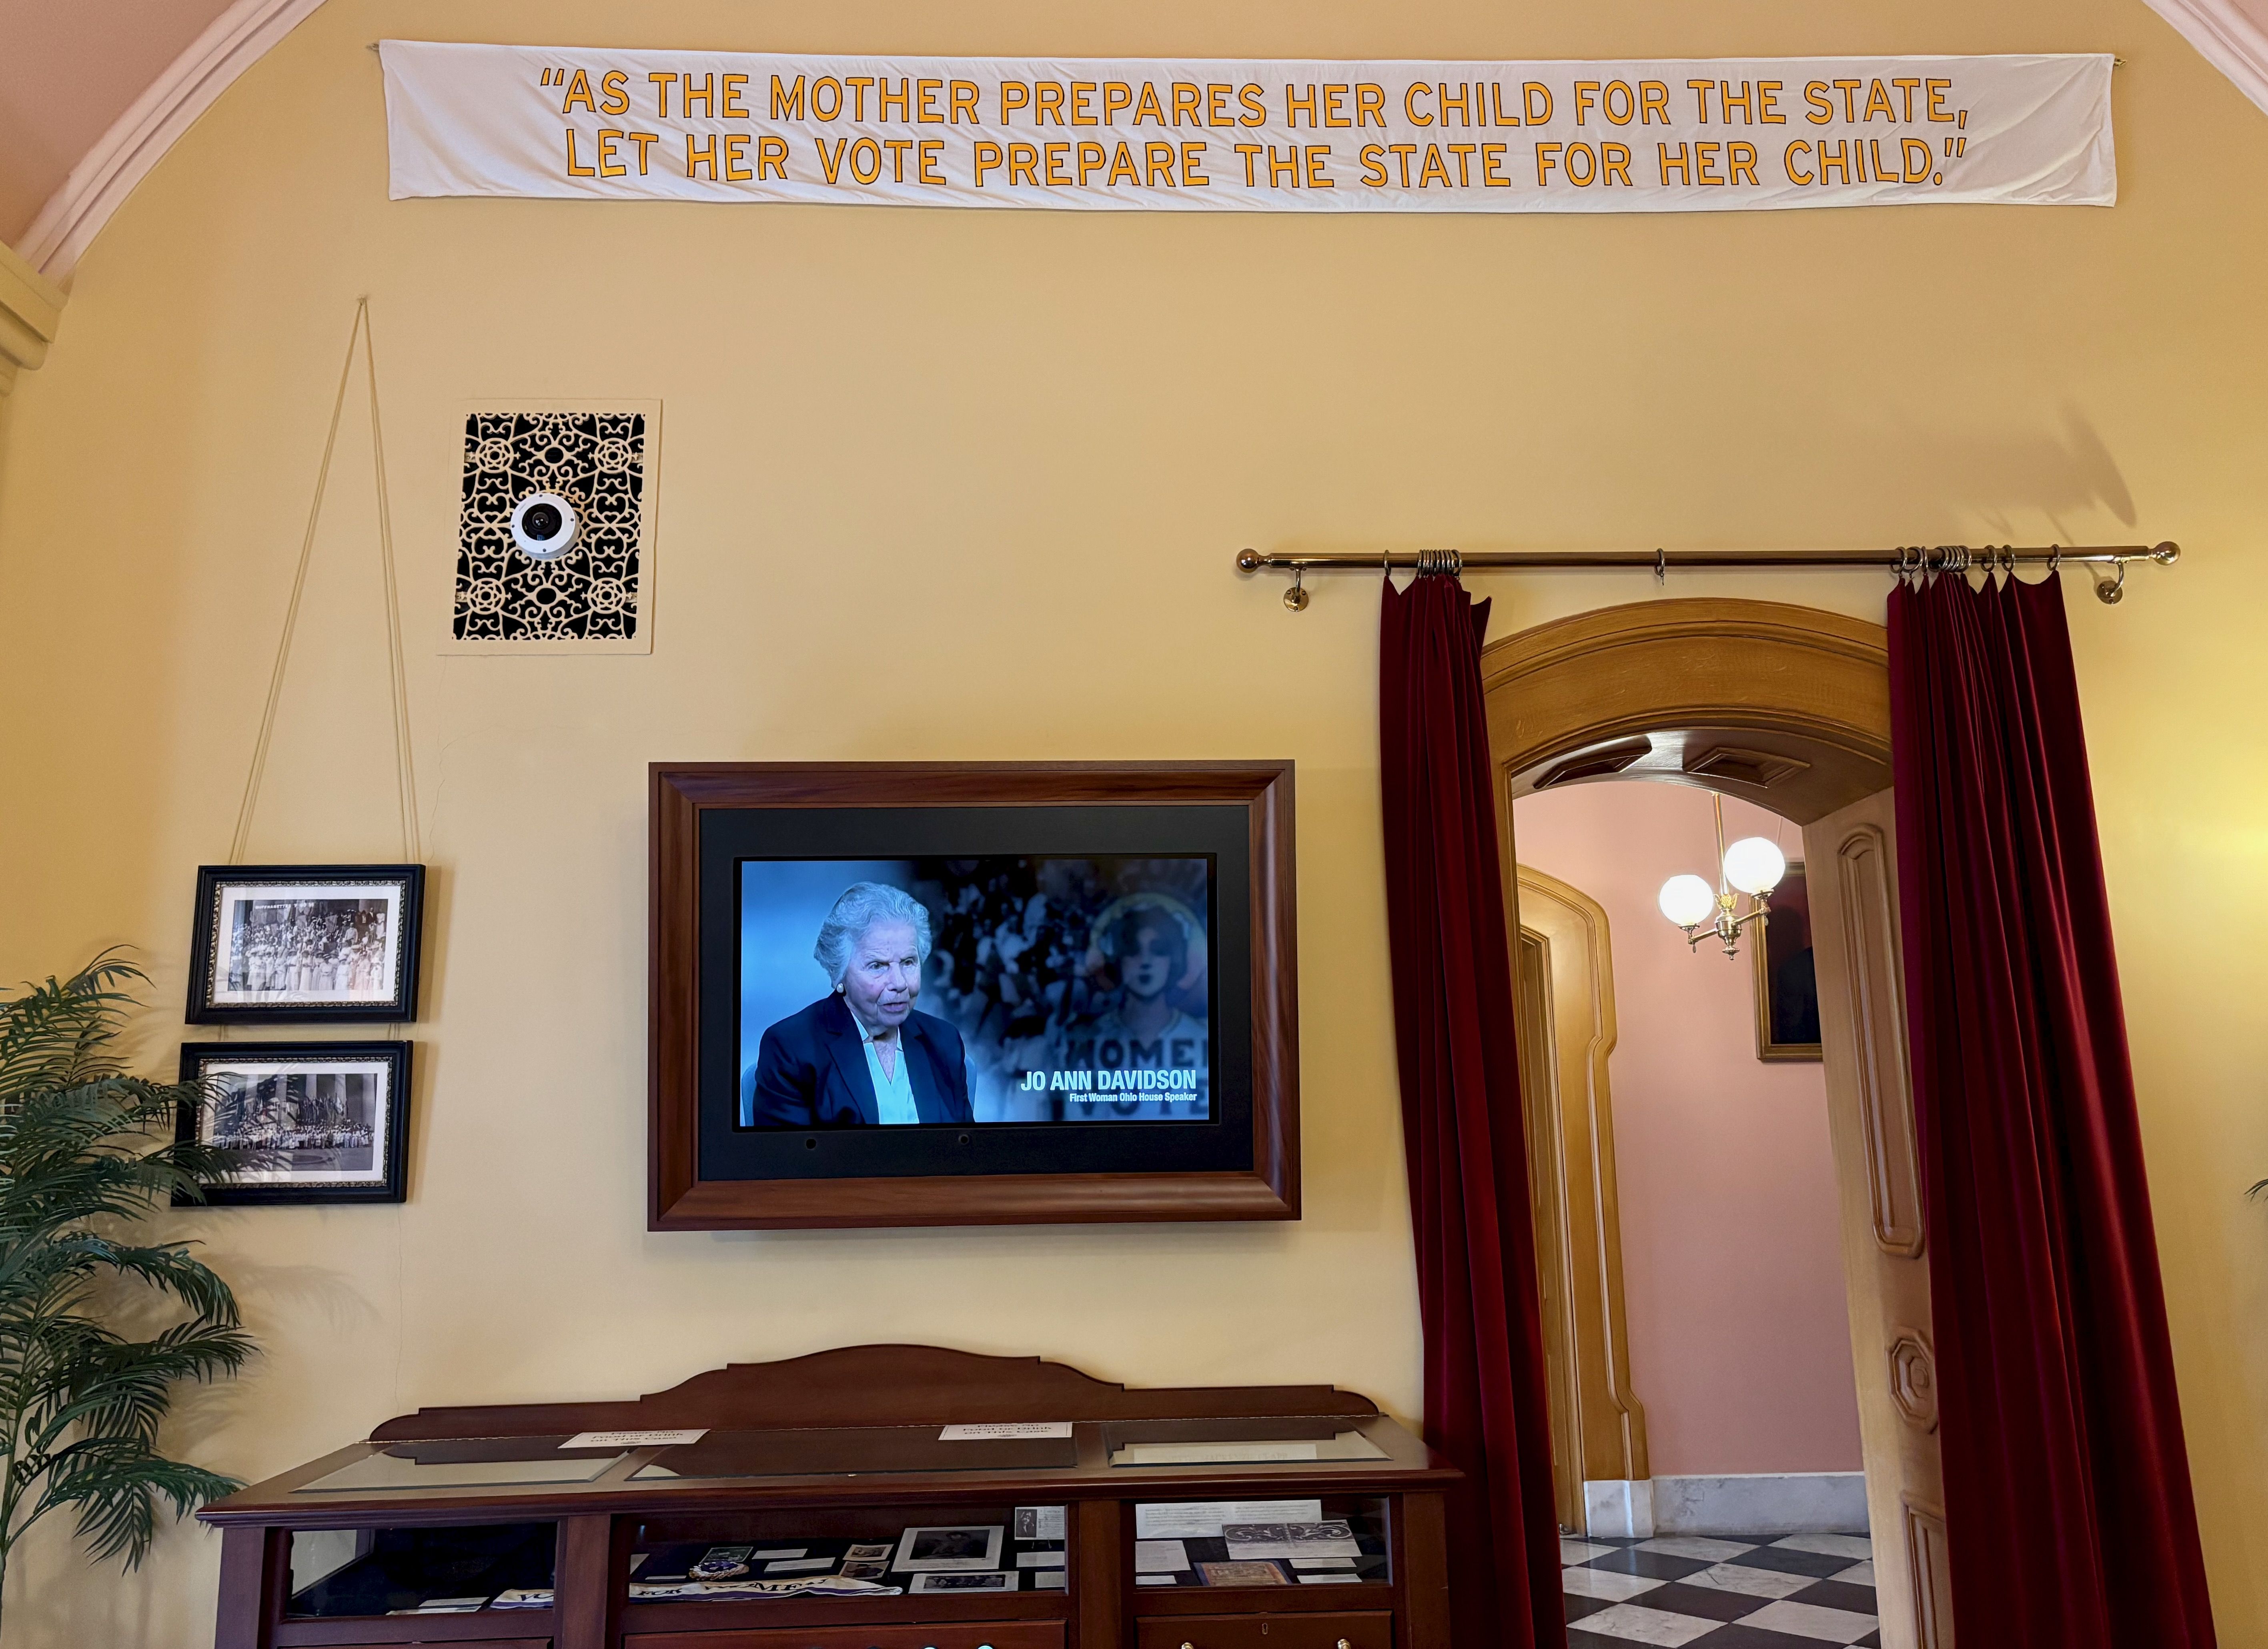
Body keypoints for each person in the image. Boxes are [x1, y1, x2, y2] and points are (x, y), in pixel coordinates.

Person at [744, 882, 974, 1128]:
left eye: (908, 962)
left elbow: (966, 1153)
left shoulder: (944, 1041)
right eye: (878, 966)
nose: (899, 983)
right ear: (839, 973)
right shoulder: (791, 1048)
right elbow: (788, 1162)